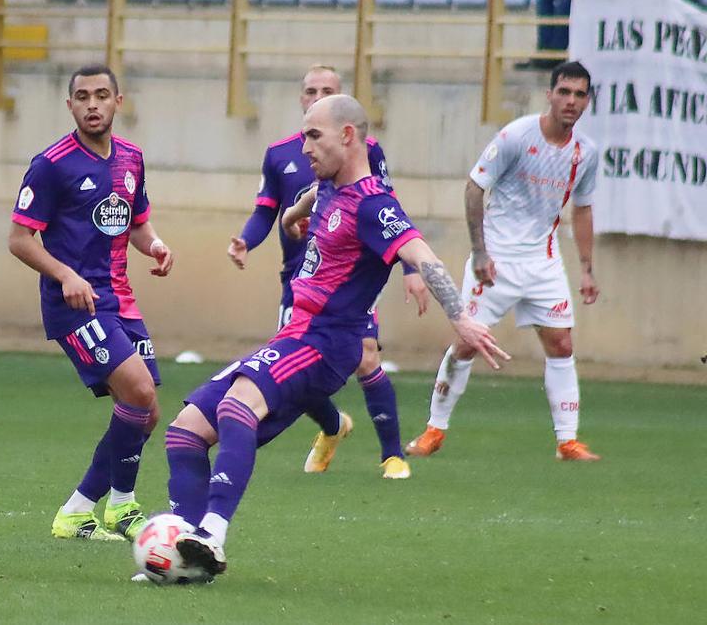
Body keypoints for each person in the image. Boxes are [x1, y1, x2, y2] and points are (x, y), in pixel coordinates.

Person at [164, 94, 505, 579]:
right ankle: (181, 554)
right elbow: (310, 201)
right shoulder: (327, 187)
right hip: (295, 332)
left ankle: (212, 533)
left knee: (238, 405)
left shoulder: (374, 204)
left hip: (326, 342)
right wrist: (290, 217)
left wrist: (462, 318)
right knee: (184, 432)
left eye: (313, 135)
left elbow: (422, 255)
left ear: (348, 136)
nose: (304, 147)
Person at [226, 65, 427, 479]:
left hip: (350, 283)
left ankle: (392, 455)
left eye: (327, 91)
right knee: (296, 368)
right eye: (310, 91)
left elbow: (389, 211)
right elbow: (268, 211)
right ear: (300, 98)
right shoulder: (281, 154)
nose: (316, 97)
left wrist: (411, 267)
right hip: (300, 280)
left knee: (367, 357)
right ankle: (333, 426)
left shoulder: (365, 152)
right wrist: (247, 239)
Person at [8, 65, 173, 542]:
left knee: (147, 410)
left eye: (102, 95)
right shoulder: (52, 164)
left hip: (120, 299)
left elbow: (136, 221)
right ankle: (101, 508)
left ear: (119, 100)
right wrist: (64, 274)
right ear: (70, 106)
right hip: (74, 306)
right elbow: (20, 239)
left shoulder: (132, 158)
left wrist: (156, 245)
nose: (93, 104)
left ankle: (99, 508)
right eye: (83, 97)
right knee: (139, 395)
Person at [405, 62, 602, 462]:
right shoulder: (516, 136)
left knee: (562, 344)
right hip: (496, 261)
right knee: (466, 344)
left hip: (543, 263)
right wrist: (480, 252)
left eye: (580, 95)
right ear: (550, 94)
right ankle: (434, 429)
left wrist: (586, 267)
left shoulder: (586, 153)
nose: (571, 101)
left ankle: (567, 441)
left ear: (587, 101)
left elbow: (582, 209)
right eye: (564, 92)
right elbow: (475, 188)